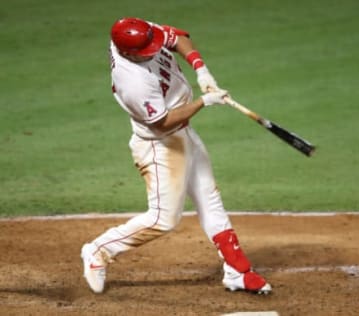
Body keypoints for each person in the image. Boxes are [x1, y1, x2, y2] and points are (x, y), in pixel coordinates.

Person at [80, 17, 272, 295]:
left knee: (209, 196)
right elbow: (163, 122)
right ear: (128, 53)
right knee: (163, 219)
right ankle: (98, 250)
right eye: (147, 49)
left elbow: (178, 37)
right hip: (160, 146)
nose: (155, 48)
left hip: (182, 134)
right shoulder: (131, 80)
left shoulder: (137, 33)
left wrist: (201, 69)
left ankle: (237, 272)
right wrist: (203, 102)